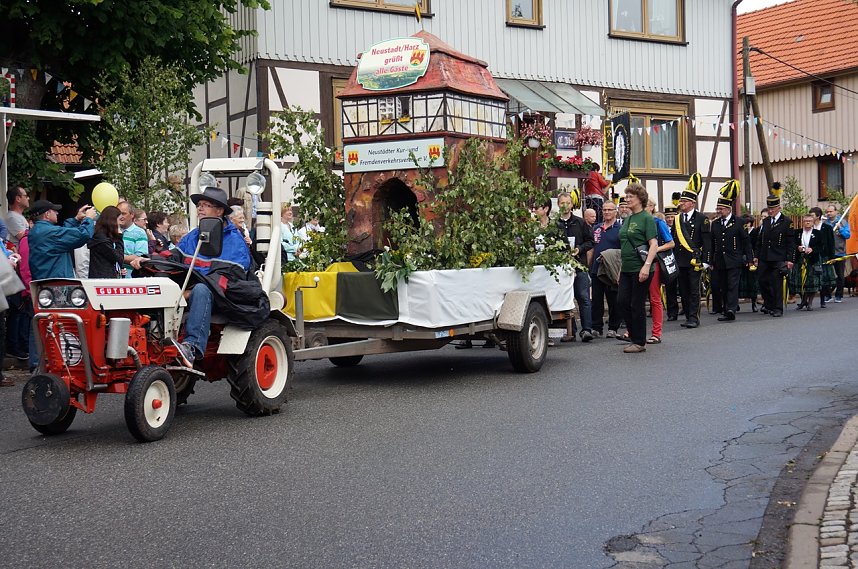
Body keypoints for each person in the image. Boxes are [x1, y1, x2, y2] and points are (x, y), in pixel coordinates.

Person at [171, 187, 253, 368]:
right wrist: (147, 260)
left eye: (205, 205)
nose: (200, 209)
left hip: (224, 298)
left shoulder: (235, 241)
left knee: (201, 290)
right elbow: (172, 259)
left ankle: (191, 347)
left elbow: (227, 280)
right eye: (199, 205)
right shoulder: (193, 236)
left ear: (220, 210)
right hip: (188, 292)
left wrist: (188, 292)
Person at [616, 183, 658, 353]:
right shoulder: (629, 218)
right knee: (622, 302)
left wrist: (646, 266)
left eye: (630, 197)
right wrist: (620, 269)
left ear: (640, 199)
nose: (627, 200)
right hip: (626, 268)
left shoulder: (646, 218)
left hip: (641, 267)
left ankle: (639, 342)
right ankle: (634, 336)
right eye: (626, 196)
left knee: (636, 304)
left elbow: (653, 244)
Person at [672, 172, 711, 329]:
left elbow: (707, 241)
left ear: (693, 203)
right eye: (681, 200)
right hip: (680, 259)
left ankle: (694, 317)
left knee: (694, 290)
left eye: (685, 201)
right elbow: (675, 239)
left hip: (695, 260)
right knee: (684, 289)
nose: (681, 203)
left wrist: (706, 260)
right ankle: (688, 315)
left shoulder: (702, 219)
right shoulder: (677, 218)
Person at [710, 181, 752, 322]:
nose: (718, 211)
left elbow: (746, 241)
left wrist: (750, 258)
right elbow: (712, 243)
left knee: (732, 285)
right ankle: (725, 307)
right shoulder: (715, 224)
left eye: (721, 209)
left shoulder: (739, 222)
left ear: (728, 209)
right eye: (718, 208)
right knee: (723, 286)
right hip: (720, 260)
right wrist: (710, 260)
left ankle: (731, 310)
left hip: (734, 259)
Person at [556, 189, 594, 342]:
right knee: (566, 299)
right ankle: (570, 331)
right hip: (562, 268)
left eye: (567, 203)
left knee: (583, 297)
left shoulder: (580, 222)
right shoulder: (555, 224)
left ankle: (586, 330)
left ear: (572, 205)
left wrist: (580, 248)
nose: (565, 206)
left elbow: (590, 241)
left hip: (579, 265)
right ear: (558, 205)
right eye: (561, 203)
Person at [28, 200, 96, 280]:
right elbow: (83, 234)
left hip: (44, 281)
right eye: (54, 211)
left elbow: (63, 235)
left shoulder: (36, 231)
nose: (57, 213)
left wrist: (76, 219)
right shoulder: (50, 232)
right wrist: (89, 219)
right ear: (47, 214)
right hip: (57, 284)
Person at [754, 183, 794, 318]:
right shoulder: (765, 222)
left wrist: (789, 259)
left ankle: (778, 308)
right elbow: (761, 240)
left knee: (776, 284)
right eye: (769, 208)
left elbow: (790, 242)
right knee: (762, 281)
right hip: (765, 257)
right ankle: (769, 304)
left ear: (779, 208)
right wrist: (757, 256)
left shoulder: (786, 222)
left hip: (779, 257)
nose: (770, 211)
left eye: (773, 208)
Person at [590, 201, 622, 338]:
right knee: (596, 299)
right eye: (605, 209)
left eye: (610, 209)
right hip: (596, 269)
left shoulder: (620, 229)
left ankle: (613, 327)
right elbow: (591, 248)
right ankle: (596, 327)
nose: (607, 212)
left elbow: (623, 251)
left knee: (613, 300)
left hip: (611, 269)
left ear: (616, 211)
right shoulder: (596, 228)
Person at [646, 212, 674, 344]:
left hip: (654, 262)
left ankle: (656, 333)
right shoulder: (631, 221)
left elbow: (671, 243)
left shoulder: (657, 222)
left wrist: (655, 249)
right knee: (634, 299)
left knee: (654, 297)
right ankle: (632, 331)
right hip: (635, 262)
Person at [790, 213, 822, 311]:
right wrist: (797, 247)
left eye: (809, 221)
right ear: (802, 222)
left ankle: (810, 303)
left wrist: (812, 249)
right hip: (800, 259)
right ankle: (804, 300)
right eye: (805, 221)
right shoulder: (797, 232)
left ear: (813, 222)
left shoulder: (818, 233)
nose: (807, 223)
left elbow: (821, 246)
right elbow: (792, 244)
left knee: (811, 282)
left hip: (812, 260)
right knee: (799, 281)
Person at [87, 206, 125, 278]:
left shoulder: (102, 237)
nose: (120, 223)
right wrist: (119, 238)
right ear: (112, 221)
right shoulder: (102, 241)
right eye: (119, 220)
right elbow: (119, 258)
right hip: (103, 279)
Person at [810, 206, 836, 308]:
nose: (811, 218)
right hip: (813, 255)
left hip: (824, 255)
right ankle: (807, 300)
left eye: (812, 215)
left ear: (818, 216)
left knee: (824, 278)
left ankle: (823, 299)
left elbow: (831, 243)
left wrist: (832, 256)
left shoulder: (827, 228)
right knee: (813, 278)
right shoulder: (810, 228)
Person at [824, 204, 851, 302]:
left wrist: (840, 228)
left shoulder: (842, 222)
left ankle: (839, 295)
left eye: (831, 212)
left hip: (840, 252)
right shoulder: (825, 223)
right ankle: (828, 295)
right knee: (826, 274)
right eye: (827, 212)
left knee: (840, 275)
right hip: (828, 253)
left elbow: (848, 235)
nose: (829, 214)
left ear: (836, 212)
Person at [117, 201, 149, 277]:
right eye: (118, 214)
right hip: (113, 278)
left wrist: (116, 256)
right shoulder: (112, 230)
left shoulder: (139, 233)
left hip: (130, 278)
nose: (120, 216)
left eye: (123, 213)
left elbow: (140, 257)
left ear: (132, 215)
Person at [663, 195, 680, 321]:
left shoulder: (681, 227)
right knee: (670, 287)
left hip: (681, 259)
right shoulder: (663, 228)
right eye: (667, 217)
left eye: (672, 217)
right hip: (668, 260)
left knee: (684, 287)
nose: (670, 219)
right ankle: (672, 312)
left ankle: (686, 308)